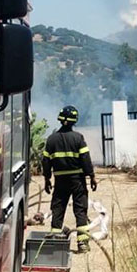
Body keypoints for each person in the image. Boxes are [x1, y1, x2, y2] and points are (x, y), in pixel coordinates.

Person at [42, 105, 97, 252]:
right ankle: (82, 243)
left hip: (60, 180)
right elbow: (85, 159)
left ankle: (55, 241)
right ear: (74, 120)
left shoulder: (51, 139)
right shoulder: (78, 138)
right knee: (80, 210)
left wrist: (47, 179)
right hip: (77, 180)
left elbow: (46, 161)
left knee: (58, 209)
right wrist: (91, 176)